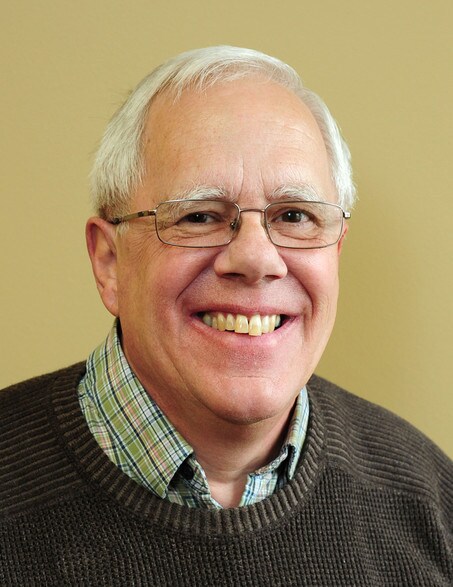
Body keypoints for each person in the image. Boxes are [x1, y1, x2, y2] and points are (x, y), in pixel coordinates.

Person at [1, 46, 451, 586]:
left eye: (295, 216)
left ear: (336, 250)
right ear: (110, 262)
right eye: (199, 216)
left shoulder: (429, 500)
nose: (257, 259)